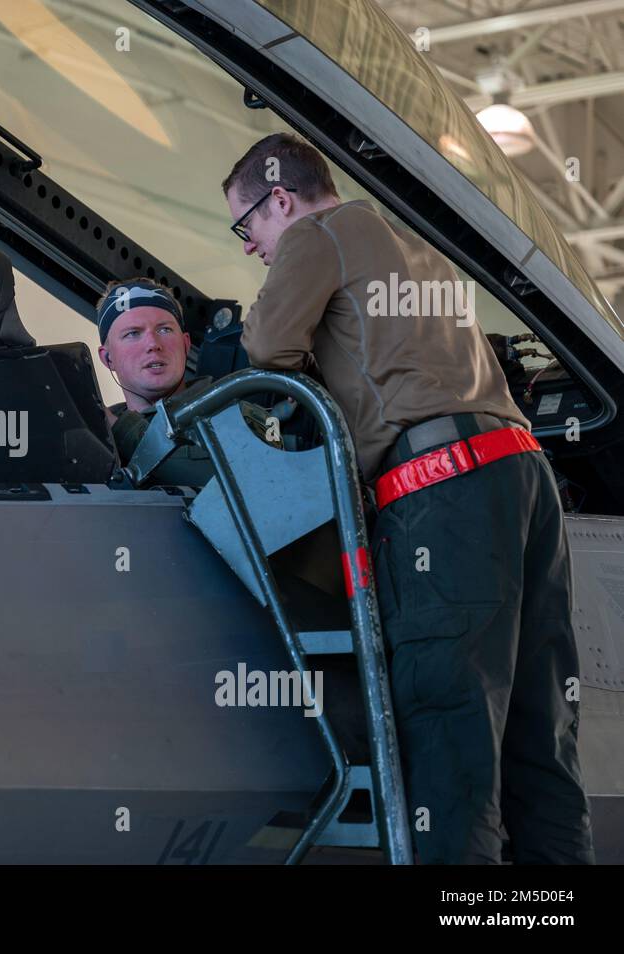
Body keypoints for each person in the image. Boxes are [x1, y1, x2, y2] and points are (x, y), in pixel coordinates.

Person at [221, 131, 593, 864]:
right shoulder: (416, 245)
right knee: (539, 733)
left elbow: (266, 346)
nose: (249, 247)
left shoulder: (318, 232)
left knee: (451, 729)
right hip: (522, 474)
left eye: (247, 225)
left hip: (442, 491)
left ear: (283, 199)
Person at [95, 278, 215, 488]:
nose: (153, 344)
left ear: (186, 344)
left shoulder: (231, 409)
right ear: (107, 358)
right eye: (133, 333)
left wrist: (120, 429)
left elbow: (240, 482)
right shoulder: (93, 431)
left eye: (164, 330)